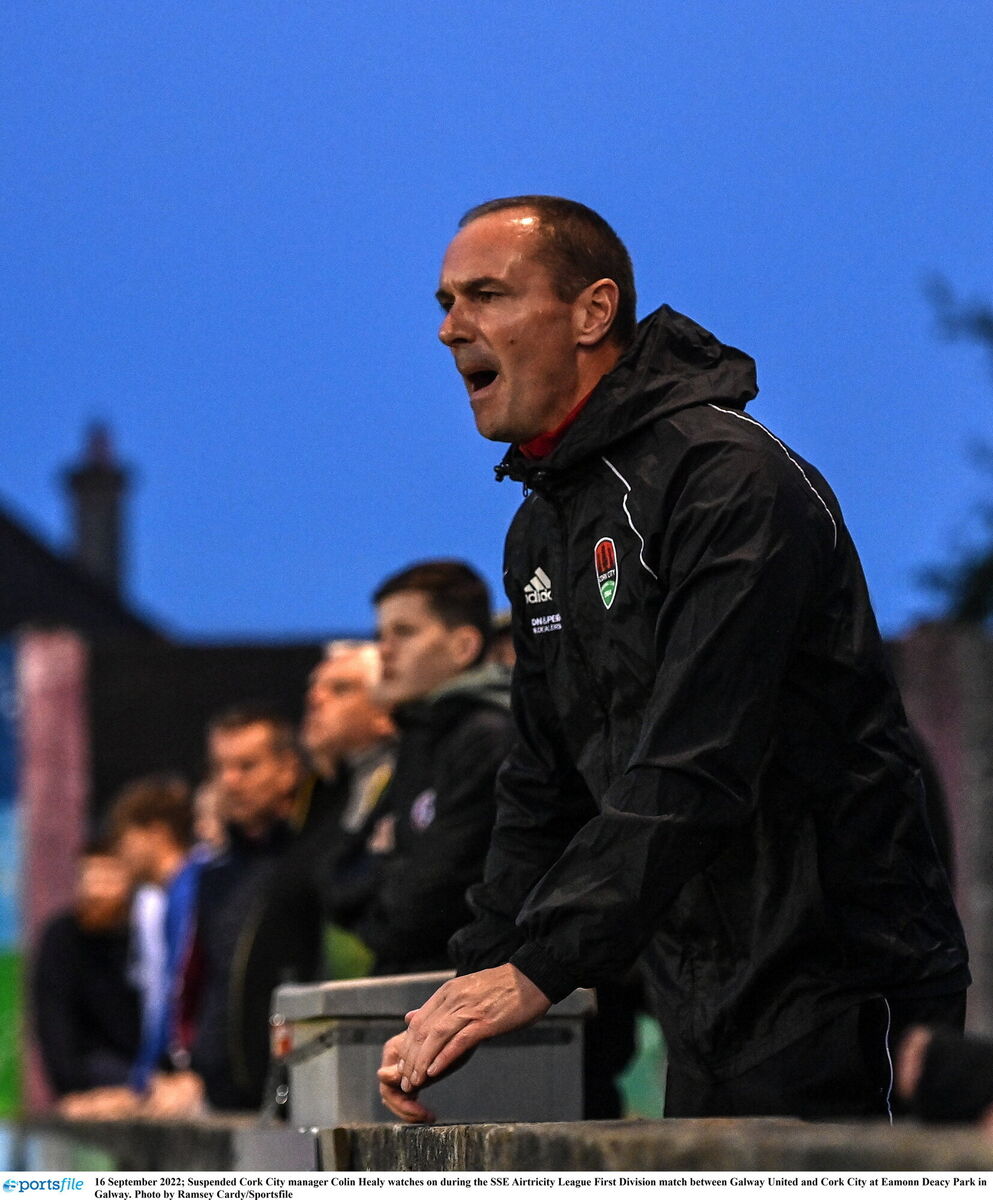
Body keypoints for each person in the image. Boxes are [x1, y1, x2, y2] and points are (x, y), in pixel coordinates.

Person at [378, 195, 969, 1123]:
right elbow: (541, 790)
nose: (452, 330)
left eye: (486, 295)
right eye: (446, 303)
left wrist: (538, 966)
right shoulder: (542, 526)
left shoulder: (727, 479)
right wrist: (464, 995)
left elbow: (697, 758)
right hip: (695, 994)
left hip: (838, 986)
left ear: (591, 312)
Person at [353, 559, 513, 976]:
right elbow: (337, 879)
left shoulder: (488, 738)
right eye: (380, 635)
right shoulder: (420, 734)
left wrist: (385, 870)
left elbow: (430, 900)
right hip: (418, 987)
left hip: (469, 990)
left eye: (404, 632)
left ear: (463, 646)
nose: (383, 650)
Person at [169, 705, 324, 1112]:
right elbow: (204, 983)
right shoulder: (213, 875)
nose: (230, 781)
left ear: (288, 770)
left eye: (246, 766)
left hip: (303, 1093)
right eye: (220, 767)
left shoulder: (316, 862)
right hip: (222, 1098)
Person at [32, 842, 142, 1111]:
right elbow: (53, 1019)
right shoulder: (62, 937)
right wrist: (70, 1091)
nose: (97, 890)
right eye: (89, 878)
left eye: (108, 877)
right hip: (89, 1074)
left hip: (143, 1072)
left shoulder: (144, 932)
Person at [296, 640, 396, 934]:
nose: (315, 698)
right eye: (314, 687)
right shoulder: (321, 790)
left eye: (340, 689)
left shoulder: (397, 784)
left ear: (386, 711)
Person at [108, 775, 195, 1097]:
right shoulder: (171, 894)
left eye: (124, 837)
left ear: (156, 833)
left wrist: (142, 1084)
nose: (119, 851)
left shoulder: (189, 889)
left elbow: (175, 994)